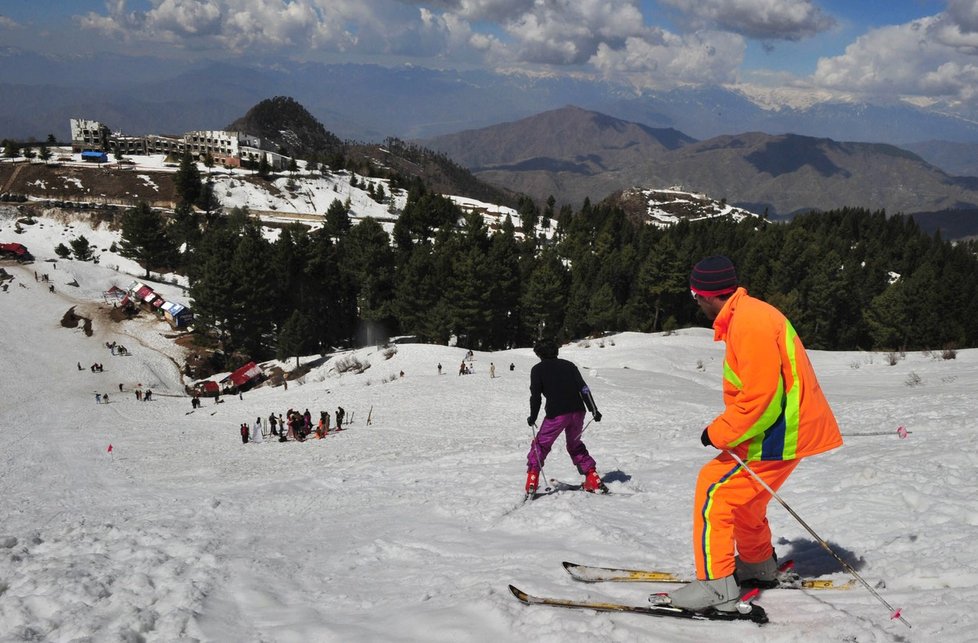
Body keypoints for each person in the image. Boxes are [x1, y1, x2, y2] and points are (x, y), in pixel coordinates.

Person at [663, 256, 843, 614]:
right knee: (744, 499)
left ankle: (716, 588)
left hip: (779, 433)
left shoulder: (750, 324)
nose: (694, 302)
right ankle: (757, 567)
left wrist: (717, 432)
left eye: (694, 295)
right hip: (781, 430)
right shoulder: (748, 316)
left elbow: (760, 399)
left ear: (706, 294)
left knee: (713, 489)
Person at [525, 339, 605, 495]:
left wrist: (532, 416)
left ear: (539, 354)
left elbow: (536, 396)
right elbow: (584, 388)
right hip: (578, 412)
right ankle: (593, 478)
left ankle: (532, 481)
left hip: (557, 414)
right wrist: (593, 410)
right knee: (575, 445)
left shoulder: (537, 369)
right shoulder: (569, 366)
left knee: (541, 445)